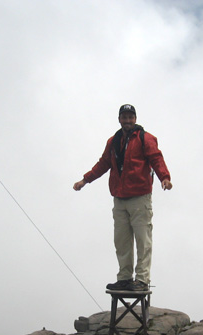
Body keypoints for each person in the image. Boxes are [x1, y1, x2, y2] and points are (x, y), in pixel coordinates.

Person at [73, 104, 172, 291]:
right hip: (119, 199)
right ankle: (125, 277)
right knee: (122, 241)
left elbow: (156, 158)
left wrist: (164, 177)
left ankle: (142, 280)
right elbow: (103, 164)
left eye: (130, 117)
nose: (127, 121)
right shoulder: (113, 141)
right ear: (119, 119)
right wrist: (85, 180)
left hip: (140, 198)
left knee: (143, 240)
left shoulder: (145, 138)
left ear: (135, 119)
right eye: (124, 117)